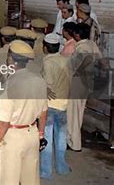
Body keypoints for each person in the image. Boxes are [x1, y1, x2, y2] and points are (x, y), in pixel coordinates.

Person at [0, 40, 48, 185]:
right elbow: (44, 112)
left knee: (9, 179)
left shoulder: (10, 83)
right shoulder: (39, 80)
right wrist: (40, 134)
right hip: (32, 133)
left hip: (13, 138)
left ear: (10, 59)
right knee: (30, 179)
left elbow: (4, 122)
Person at [40, 33, 71, 179]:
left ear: (45, 47)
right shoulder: (66, 60)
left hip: (50, 105)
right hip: (63, 104)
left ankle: (46, 171)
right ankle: (62, 167)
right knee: (61, 138)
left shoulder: (48, 62)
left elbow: (48, 84)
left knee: (46, 138)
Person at [67, 23, 102, 152]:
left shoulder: (81, 48)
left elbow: (73, 66)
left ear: (77, 34)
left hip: (77, 82)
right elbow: (101, 62)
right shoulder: (92, 45)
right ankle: (74, 140)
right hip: (88, 83)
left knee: (72, 114)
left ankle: (74, 143)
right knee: (79, 112)